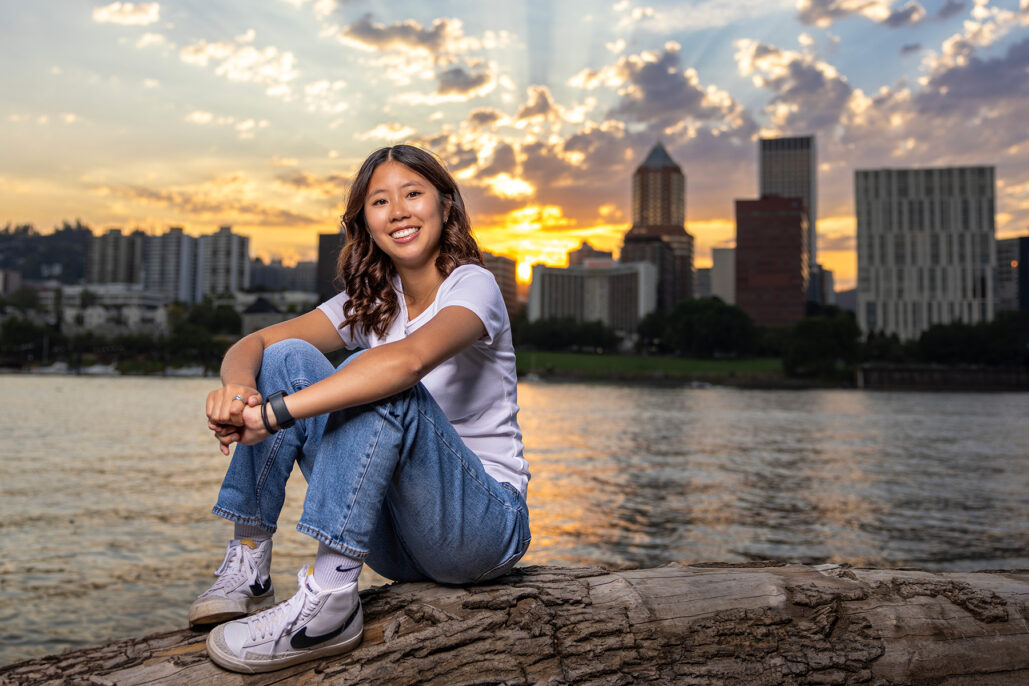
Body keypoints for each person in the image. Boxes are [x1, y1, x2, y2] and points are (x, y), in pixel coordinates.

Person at [193, 144, 531, 674]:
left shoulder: (474, 285)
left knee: (384, 380)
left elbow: (409, 362)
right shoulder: (370, 301)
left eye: (413, 194)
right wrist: (238, 392)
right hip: (396, 542)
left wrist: (277, 415)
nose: (398, 210)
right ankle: (250, 564)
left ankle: (329, 600)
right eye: (380, 201)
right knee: (286, 356)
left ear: (445, 205)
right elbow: (255, 344)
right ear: (365, 222)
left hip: (484, 529)